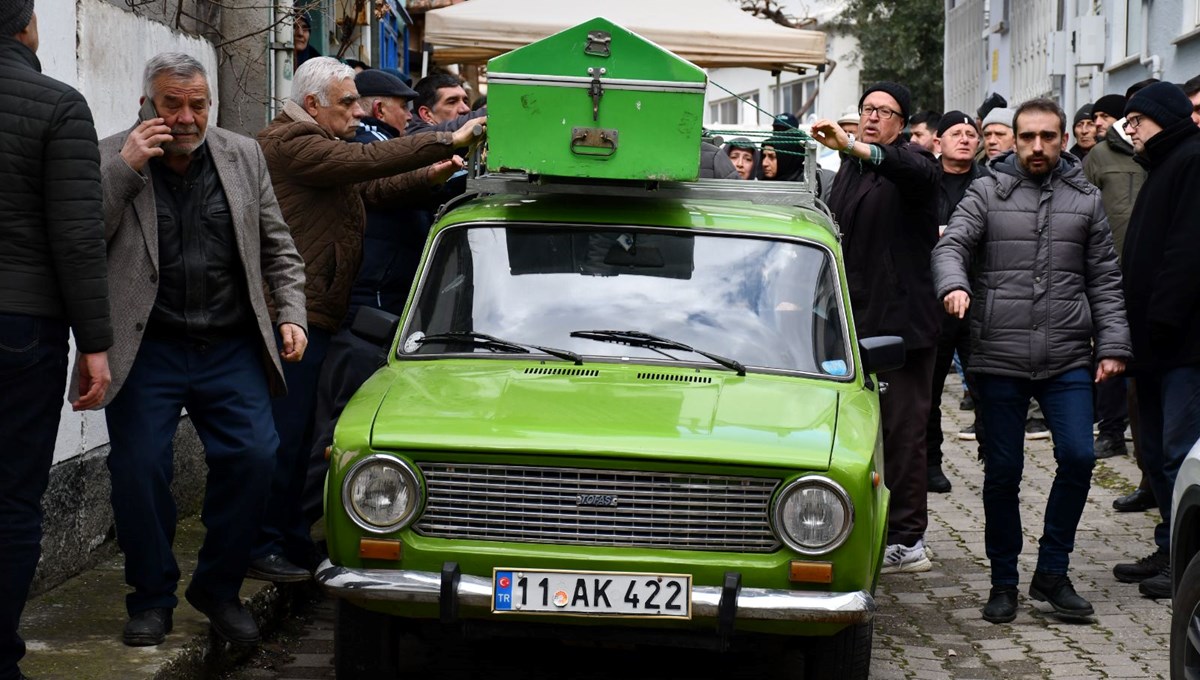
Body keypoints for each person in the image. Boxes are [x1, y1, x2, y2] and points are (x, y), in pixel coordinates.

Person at [99, 52, 308, 647]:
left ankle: (217, 588)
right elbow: (82, 239)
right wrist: (126, 169)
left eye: (199, 104)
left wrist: (291, 314)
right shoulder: (112, 153)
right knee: (137, 470)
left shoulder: (243, 155)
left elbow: (279, 247)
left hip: (229, 344)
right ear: (148, 105)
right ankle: (151, 597)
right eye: (173, 104)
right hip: (148, 348)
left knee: (255, 456)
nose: (187, 117)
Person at [252, 57, 482, 580]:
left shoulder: (324, 146)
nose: (359, 112)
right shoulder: (290, 143)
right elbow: (367, 167)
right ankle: (260, 542)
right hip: (292, 313)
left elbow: (375, 189)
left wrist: (437, 172)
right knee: (283, 438)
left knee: (303, 434)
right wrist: (447, 141)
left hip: (316, 312)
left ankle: (287, 535)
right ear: (313, 105)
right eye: (348, 103)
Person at [933, 98, 1130, 625]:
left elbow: (1105, 281)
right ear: (1013, 140)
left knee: (1080, 458)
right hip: (998, 356)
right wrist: (953, 284)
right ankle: (1003, 582)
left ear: (1064, 139)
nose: (1038, 146)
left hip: (1067, 355)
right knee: (1004, 471)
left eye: (1048, 136)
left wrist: (1112, 345)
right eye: (1027, 137)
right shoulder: (986, 191)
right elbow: (950, 248)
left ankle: (1052, 572)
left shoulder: (1085, 200)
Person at [299, 68, 469, 528]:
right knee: (342, 429)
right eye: (405, 108)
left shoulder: (367, 148)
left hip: (381, 311)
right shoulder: (361, 147)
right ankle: (300, 526)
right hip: (366, 313)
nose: (411, 116)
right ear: (381, 109)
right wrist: (466, 132)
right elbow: (390, 169)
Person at [0, 4, 112, 677]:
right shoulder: (58, 105)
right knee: (12, 498)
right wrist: (94, 345)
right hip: (21, 326)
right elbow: (76, 237)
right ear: (27, 25)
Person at [809, 82, 941, 574]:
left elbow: (906, 167)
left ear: (901, 124)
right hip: (852, 320)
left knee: (902, 431)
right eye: (867, 109)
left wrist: (855, 147)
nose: (872, 117)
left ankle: (908, 540)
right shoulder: (849, 168)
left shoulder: (914, 166)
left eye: (884, 112)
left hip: (903, 327)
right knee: (855, 430)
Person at [1112, 82, 1200, 600]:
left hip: (1180, 345)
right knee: (1154, 450)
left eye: (1136, 121)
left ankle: (1187, 563)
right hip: (1152, 344)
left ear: (1161, 118)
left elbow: (1188, 251)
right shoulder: (1166, 164)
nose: (1131, 131)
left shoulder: (1191, 160)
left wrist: (1160, 323)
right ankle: (1170, 547)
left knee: (1176, 452)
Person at [926, 111, 990, 495]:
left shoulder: (991, 182)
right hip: (931, 300)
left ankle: (991, 454)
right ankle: (930, 462)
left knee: (984, 383)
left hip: (980, 296)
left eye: (971, 134)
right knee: (929, 387)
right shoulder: (924, 180)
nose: (965, 139)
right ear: (939, 141)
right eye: (956, 133)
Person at [1084, 88, 1145, 465]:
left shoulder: (1160, 155)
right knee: (1108, 349)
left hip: (1152, 273)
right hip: (1110, 271)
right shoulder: (1099, 155)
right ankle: (1110, 431)